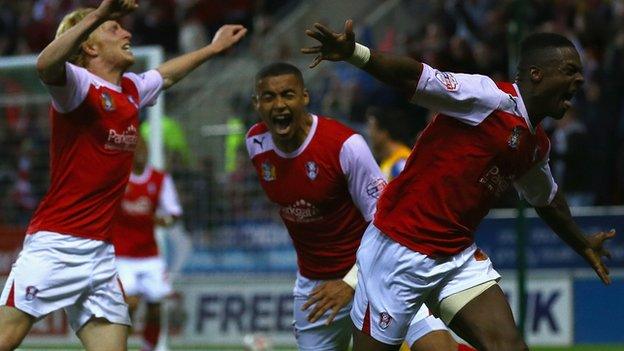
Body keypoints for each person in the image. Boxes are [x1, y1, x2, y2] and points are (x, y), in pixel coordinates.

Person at [302, 20, 616, 351]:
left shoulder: (535, 145)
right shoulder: (488, 97)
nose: (579, 79)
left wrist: (582, 243)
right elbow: (416, 77)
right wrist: (354, 53)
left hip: (455, 255)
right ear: (537, 74)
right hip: (396, 252)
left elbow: (547, 200)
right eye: (570, 70)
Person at [0, 1, 246, 350]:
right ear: (89, 45)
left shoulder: (130, 90)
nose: (127, 32)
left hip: (100, 256)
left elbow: (168, 74)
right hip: (57, 247)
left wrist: (212, 48)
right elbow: (45, 64)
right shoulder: (76, 86)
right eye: (114, 29)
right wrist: (98, 14)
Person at [246, 62, 468, 351]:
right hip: (316, 289)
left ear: (304, 97)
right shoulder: (256, 143)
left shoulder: (345, 145)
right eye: (269, 97)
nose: (279, 105)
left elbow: (386, 221)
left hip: (375, 274)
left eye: (287, 95)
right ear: (256, 103)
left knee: (437, 347)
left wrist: (351, 282)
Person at [111, 135, 182, 351]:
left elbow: (174, 213)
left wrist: (164, 220)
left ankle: (149, 348)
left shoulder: (160, 179)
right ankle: (115, 342)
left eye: (144, 148)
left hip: (150, 255)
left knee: (156, 309)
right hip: (122, 255)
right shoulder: (119, 178)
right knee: (129, 303)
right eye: (137, 148)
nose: (141, 152)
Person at [366, 106, 414, 181]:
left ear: (383, 133)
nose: (369, 134)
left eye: (372, 128)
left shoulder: (401, 162)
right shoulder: (387, 162)